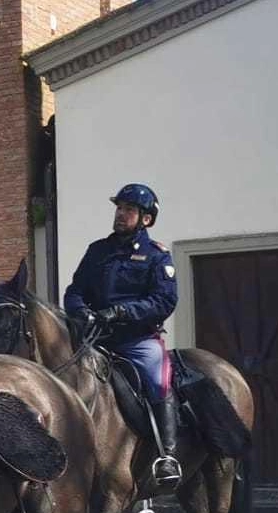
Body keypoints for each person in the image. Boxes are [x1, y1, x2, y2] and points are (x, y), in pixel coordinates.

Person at [63, 183, 181, 486]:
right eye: (119, 208)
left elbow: (164, 300)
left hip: (136, 340)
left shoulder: (157, 256)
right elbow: (75, 291)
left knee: (158, 378)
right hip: (96, 339)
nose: (120, 214)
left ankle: (166, 455)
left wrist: (122, 312)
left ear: (146, 219)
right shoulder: (97, 251)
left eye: (128, 210)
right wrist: (81, 311)